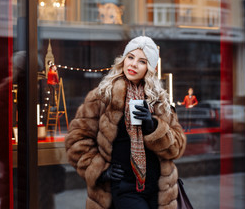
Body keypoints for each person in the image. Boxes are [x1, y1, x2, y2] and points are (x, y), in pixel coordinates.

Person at [65, 36, 187, 209]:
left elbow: (177, 146)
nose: (133, 64)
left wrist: (153, 126)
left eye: (142, 61)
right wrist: (100, 170)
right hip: (124, 186)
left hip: (159, 189)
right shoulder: (102, 96)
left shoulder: (160, 101)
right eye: (130, 57)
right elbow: (77, 139)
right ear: (123, 60)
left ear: (149, 68)